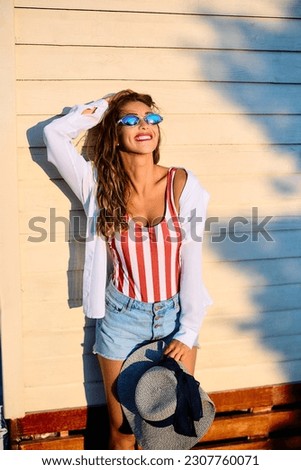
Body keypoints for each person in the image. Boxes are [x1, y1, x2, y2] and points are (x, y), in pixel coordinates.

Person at [43, 89, 211, 450]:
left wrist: (188, 329)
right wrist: (105, 106)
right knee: (123, 431)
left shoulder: (182, 184)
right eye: (131, 120)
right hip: (121, 318)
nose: (144, 125)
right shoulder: (99, 184)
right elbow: (53, 136)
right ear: (114, 132)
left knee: (169, 431)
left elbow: (192, 264)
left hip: (175, 321)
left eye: (151, 118)